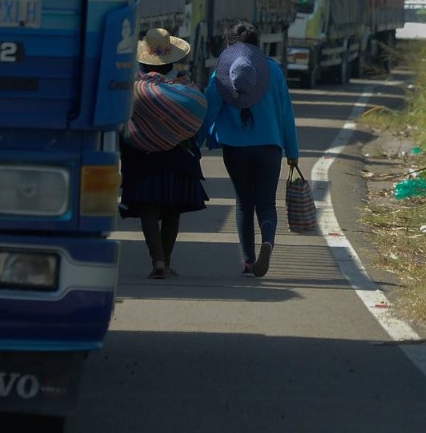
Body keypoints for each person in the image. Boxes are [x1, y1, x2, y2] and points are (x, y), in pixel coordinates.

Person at [198, 21, 300, 278]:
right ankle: (268, 240)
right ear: (258, 44)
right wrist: (293, 151)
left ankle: (247, 260)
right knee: (266, 203)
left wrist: (196, 142)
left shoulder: (220, 74)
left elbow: (210, 112)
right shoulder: (274, 71)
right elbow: (286, 114)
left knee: (244, 203)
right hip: (270, 147)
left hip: (235, 149)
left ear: (229, 45)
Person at [119, 28, 210, 280]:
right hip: (177, 157)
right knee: (172, 211)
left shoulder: (134, 88)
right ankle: (166, 262)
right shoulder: (185, 88)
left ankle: (157, 260)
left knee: (149, 209)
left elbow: (122, 120)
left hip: (143, 158)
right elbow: (198, 113)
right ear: (171, 59)